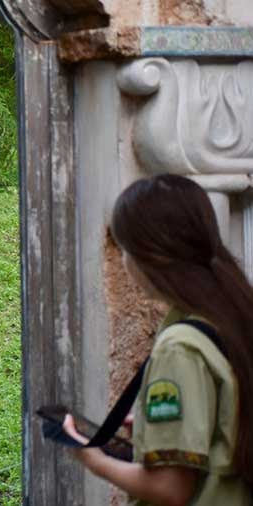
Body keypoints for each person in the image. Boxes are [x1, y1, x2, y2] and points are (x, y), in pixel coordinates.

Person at [62, 174, 253, 505]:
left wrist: (96, 462)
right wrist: (160, 433)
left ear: (151, 254)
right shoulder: (232, 315)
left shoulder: (179, 347)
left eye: (124, 249)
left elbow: (170, 489)